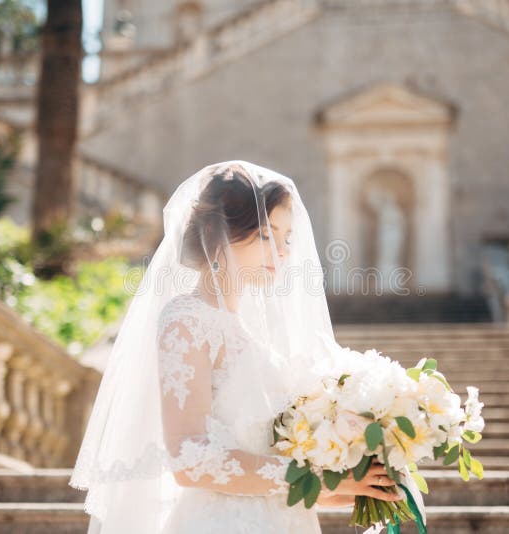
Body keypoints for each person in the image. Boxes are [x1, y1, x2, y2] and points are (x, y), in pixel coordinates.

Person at [69, 161, 402, 533]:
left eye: (287, 238)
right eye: (265, 235)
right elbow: (190, 460)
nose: (281, 252)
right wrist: (311, 479)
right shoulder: (188, 321)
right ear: (217, 235)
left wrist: (331, 484)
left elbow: (262, 452)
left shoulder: (252, 334)